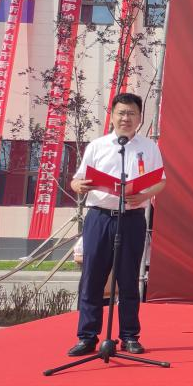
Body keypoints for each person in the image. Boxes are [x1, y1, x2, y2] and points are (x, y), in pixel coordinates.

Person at [68, 92, 167, 356]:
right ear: (112, 116)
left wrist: (144, 195)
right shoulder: (97, 146)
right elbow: (77, 180)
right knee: (92, 278)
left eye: (131, 113)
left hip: (132, 218)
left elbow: (160, 181)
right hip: (99, 217)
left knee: (128, 279)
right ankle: (87, 336)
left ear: (140, 117)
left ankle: (129, 336)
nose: (126, 118)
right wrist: (79, 185)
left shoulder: (149, 147)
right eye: (121, 113)